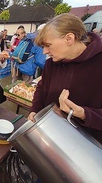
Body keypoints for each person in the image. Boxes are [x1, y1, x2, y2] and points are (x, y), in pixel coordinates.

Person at [28, 13, 102, 144]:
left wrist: (84, 114)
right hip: (49, 136)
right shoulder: (52, 63)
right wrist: (35, 110)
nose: (44, 51)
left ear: (69, 39)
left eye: (48, 45)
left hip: (84, 146)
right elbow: (41, 87)